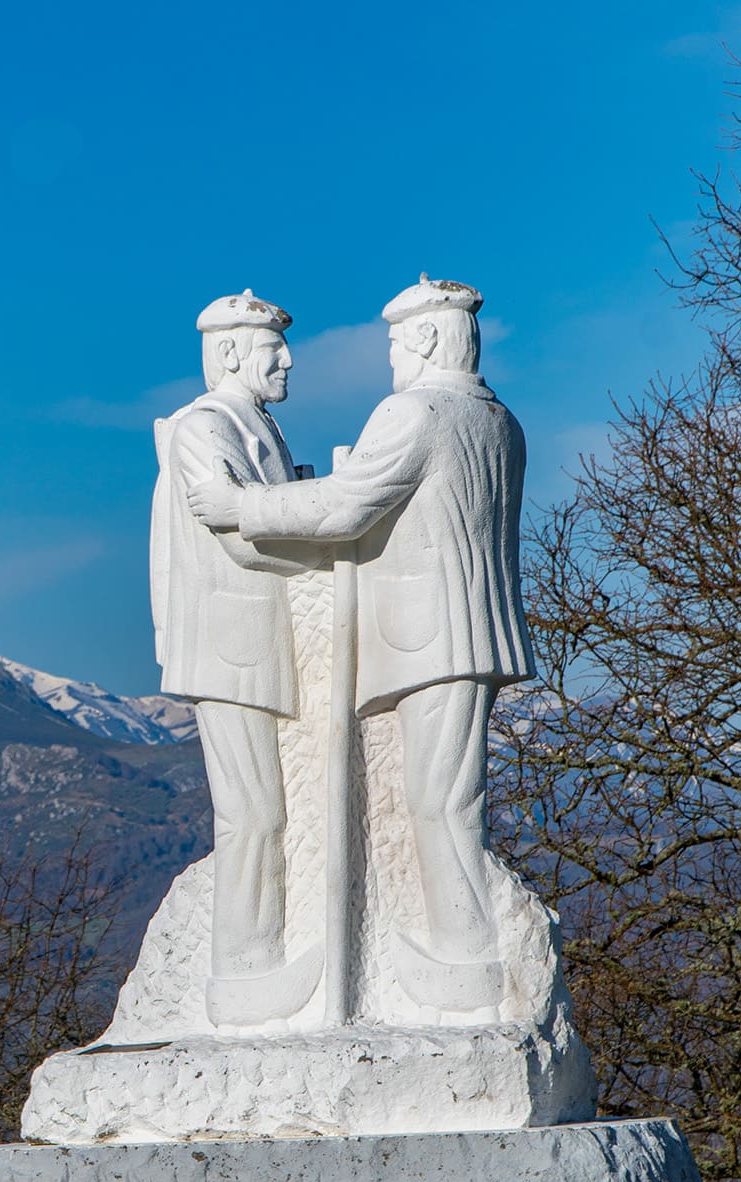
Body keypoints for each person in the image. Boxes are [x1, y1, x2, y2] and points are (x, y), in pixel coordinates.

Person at [186, 276, 532, 1009]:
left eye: (396, 341)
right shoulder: (498, 420)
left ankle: (465, 960)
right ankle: (462, 955)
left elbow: (348, 507)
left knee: (438, 801)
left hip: (429, 635)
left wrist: (241, 503)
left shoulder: (416, 413)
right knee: (445, 796)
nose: (392, 355)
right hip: (466, 630)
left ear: (428, 337)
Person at [152, 289, 320, 1024]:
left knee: (274, 812)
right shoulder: (205, 427)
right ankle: (243, 971)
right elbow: (239, 536)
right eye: (272, 347)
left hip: (266, 639)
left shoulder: (258, 426)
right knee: (252, 812)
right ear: (227, 352)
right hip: (232, 643)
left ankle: (262, 959)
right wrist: (336, 538)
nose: (288, 360)